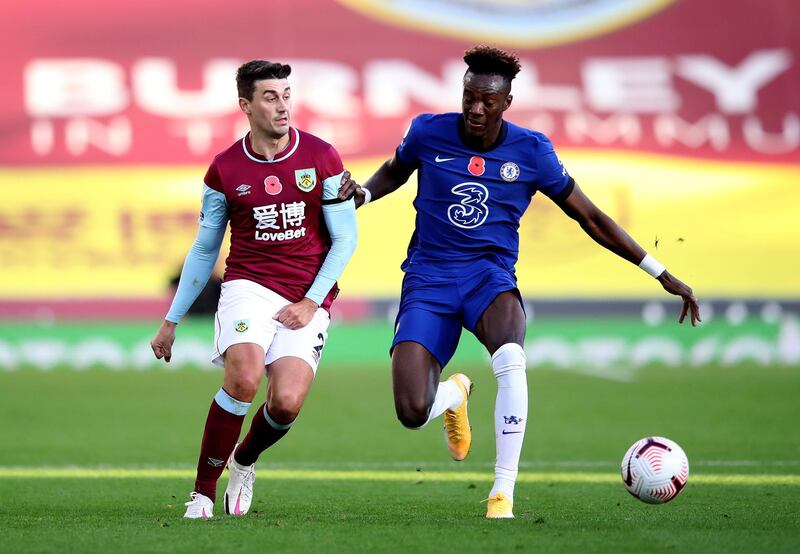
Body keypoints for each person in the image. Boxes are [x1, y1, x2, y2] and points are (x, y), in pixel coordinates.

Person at [337, 45, 700, 519]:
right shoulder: (428, 131)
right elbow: (395, 171)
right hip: (428, 280)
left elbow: (589, 216)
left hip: (489, 278)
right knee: (410, 412)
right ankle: (454, 394)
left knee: (510, 357)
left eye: (487, 100)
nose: (475, 108)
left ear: (506, 102)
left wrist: (662, 273)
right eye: (469, 96)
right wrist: (362, 194)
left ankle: (502, 492)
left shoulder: (532, 151)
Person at [150, 60, 358, 519]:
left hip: (308, 292)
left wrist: (309, 301)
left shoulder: (322, 158)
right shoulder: (225, 169)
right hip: (248, 285)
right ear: (245, 105)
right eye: (270, 97)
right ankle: (203, 492)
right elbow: (205, 250)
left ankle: (243, 461)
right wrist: (172, 320)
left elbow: (346, 239)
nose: (282, 106)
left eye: (286, 95)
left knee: (284, 405)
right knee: (243, 379)